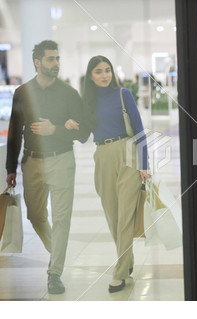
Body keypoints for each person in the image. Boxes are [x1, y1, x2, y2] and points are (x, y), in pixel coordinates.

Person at [6, 40, 89, 294]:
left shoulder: (69, 94)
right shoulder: (22, 92)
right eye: (51, 59)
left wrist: (58, 129)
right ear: (37, 62)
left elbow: (84, 132)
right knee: (35, 215)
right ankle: (58, 250)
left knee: (62, 218)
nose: (56, 64)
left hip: (62, 160)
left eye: (57, 59)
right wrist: (10, 167)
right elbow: (14, 132)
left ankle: (55, 272)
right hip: (31, 163)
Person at [70, 55, 150, 293]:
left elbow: (139, 131)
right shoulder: (88, 103)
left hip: (128, 154)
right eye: (98, 71)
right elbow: (85, 137)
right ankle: (128, 261)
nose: (104, 75)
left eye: (107, 70)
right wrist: (73, 127)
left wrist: (144, 164)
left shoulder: (123, 95)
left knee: (126, 215)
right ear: (90, 76)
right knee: (113, 217)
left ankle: (119, 272)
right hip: (102, 156)